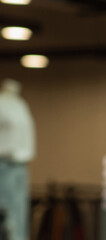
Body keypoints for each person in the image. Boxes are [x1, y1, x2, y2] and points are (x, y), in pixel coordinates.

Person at [0, 79, 36, 240]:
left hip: (19, 165)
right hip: (3, 164)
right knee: (5, 210)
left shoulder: (21, 105)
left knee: (19, 211)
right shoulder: (2, 103)